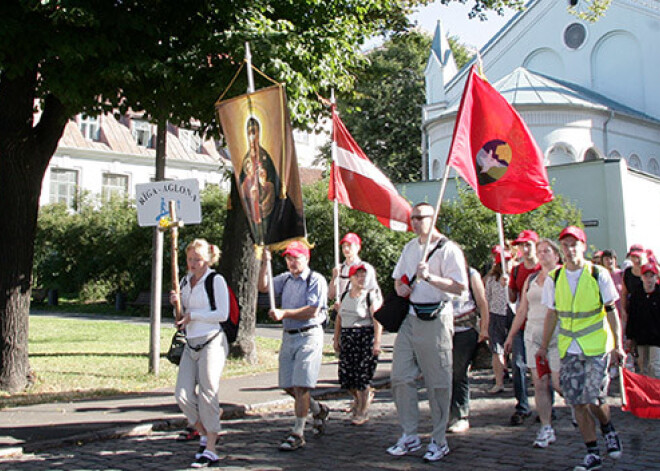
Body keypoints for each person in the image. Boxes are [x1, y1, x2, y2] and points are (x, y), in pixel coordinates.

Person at [537, 226, 624, 471]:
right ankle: (592, 452)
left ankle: (608, 428)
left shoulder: (598, 274)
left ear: (583, 247)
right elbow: (551, 314)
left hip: (596, 346)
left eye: (574, 244)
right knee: (576, 401)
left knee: (594, 397)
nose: (569, 249)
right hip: (569, 347)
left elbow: (611, 310)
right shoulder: (555, 278)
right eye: (565, 245)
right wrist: (543, 346)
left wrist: (618, 345)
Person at [386, 202, 467, 463]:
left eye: (422, 217)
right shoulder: (410, 248)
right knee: (399, 377)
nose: (417, 222)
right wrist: (400, 288)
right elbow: (398, 278)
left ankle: (439, 439)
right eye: (414, 218)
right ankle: (409, 434)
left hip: (437, 317)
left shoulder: (449, 249)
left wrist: (430, 277)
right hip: (410, 317)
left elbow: (459, 287)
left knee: (438, 382)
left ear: (434, 219)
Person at [257, 241, 329, 451]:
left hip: (309, 335)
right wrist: (264, 263)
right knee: (287, 385)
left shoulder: (316, 280)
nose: (291, 262)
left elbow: (313, 310)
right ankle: (317, 409)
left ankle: (298, 432)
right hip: (289, 336)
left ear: (306, 258)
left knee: (301, 385)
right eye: (289, 258)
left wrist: (284, 313)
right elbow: (263, 287)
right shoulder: (285, 279)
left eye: (296, 258)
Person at [171, 239, 229, 468]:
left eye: (198, 259)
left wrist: (193, 316)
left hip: (212, 341)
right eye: (190, 259)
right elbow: (183, 313)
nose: (193, 263)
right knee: (182, 394)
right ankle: (204, 430)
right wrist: (177, 304)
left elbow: (222, 314)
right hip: (191, 343)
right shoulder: (185, 281)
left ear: (208, 259)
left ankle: (211, 447)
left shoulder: (216, 280)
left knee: (208, 392)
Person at [504, 238, 562, 449]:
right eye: (540, 251)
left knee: (558, 383)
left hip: (557, 335)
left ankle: (580, 409)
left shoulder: (562, 277)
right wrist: (511, 336)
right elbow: (522, 310)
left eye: (547, 251)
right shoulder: (531, 279)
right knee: (539, 383)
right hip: (532, 334)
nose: (543, 254)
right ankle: (546, 427)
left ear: (556, 255)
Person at [333, 264, 383, 425]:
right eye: (357, 275)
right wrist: (336, 339)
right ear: (351, 278)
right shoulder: (344, 296)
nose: (361, 279)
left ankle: (362, 410)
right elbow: (339, 318)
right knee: (347, 377)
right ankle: (361, 398)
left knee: (362, 377)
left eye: (363, 276)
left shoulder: (369, 296)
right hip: (348, 338)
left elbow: (377, 320)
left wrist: (377, 342)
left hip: (364, 337)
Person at [447, 264, 489, 434]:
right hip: (442, 329)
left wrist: (484, 329)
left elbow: (482, 302)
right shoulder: (439, 273)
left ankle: (461, 415)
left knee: (459, 371)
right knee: (443, 373)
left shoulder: (471, 274)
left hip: (465, 329)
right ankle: (446, 412)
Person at [508, 229, 541, 425]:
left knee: (541, 368)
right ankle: (522, 406)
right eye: (522, 245)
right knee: (518, 365)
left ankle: (547, 406)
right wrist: (508, 286)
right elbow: (514, 298)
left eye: (528, 244)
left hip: (542, 325)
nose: (525, 249)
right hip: (521, 325)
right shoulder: (517, 270)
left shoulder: (546, 269)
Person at [484, 246, 513, 394]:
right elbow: (487, 298)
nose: (507, 265)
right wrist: (486, 319)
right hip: (496, 315)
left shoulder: (515, 276)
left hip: (513, 314)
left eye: (509, 261)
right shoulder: (491, 280)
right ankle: (499, 381)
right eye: (504, 262)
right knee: (497, 349)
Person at [625, 262, 660, 378]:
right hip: (640, 337)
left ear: (656, 277)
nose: (649, 279)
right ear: (641, 277)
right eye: (646, 276)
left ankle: (656, 393)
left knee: (655, 367)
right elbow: (632, 316)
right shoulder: (636, 294)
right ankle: (645, 393)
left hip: (657, 339)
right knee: (642, 367)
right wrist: (629, 337)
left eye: (652, 276)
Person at [328, 232, 381, 308]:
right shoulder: (340, 269)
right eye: (343, 246)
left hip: (360, 308)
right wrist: (334, 278)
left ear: (358, 247)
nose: (346, 249)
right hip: (342, 310)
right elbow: (331, 295)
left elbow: (374, 292)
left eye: (349, 245)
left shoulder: (366, 268)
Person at [620, 244, 646, 331]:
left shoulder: (650, 270)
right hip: (633, 309)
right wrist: (623, 310)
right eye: (633, 256)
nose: (636, 259)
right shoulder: (627, 272)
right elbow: (624, 293)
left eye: (638, 256)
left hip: (649, 308)